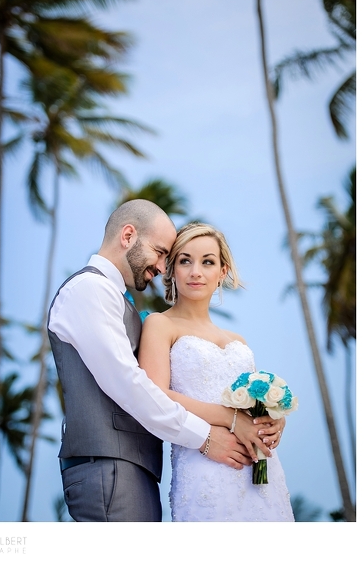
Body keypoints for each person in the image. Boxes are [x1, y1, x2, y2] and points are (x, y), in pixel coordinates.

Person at [48, 199, 274, 521]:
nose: (162, 266)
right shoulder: (90, 290)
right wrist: (208, 436)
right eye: (162, 252)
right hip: (109, 466)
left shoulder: (113, 298)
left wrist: (267, 419)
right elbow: (130, 385)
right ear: (128, 236)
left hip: (131, 468)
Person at [138, 222, 293, 521]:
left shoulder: (239, 341)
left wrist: (276, 420)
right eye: (185, 261)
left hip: (260, 470)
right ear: (171, 269)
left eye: (207, 262)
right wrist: (231, 419)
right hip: (205, 466)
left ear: (222, 272)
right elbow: (155, 395)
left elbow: (253, 404)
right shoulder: (160, 325)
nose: (196, 271)